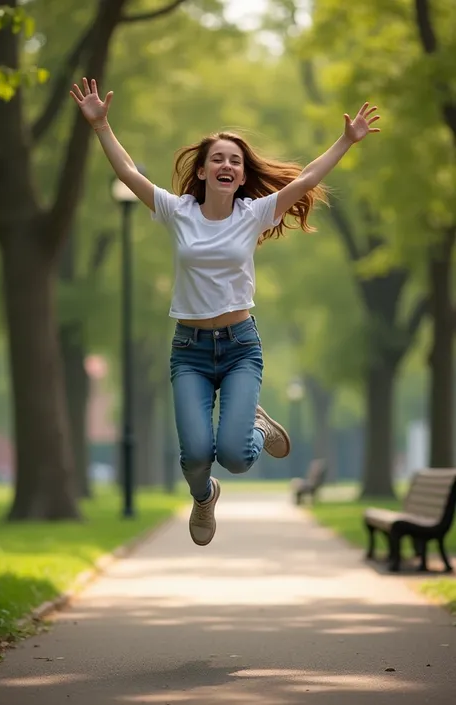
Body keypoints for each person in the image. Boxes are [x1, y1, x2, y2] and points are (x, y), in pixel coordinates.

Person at [71, 78, 380, 546]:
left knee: (236, 456)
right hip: (189, 351)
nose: (228, 165)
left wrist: (346, 140)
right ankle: (204, 495)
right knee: (196, 455)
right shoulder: (178, 212)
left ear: (241, 174)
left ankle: (255, 424)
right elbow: (130, 174)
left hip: (239, 348)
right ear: (201, 171)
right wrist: (102, 126)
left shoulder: (254, 214)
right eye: (218, 158)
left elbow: (306, 180)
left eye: (235, 160)